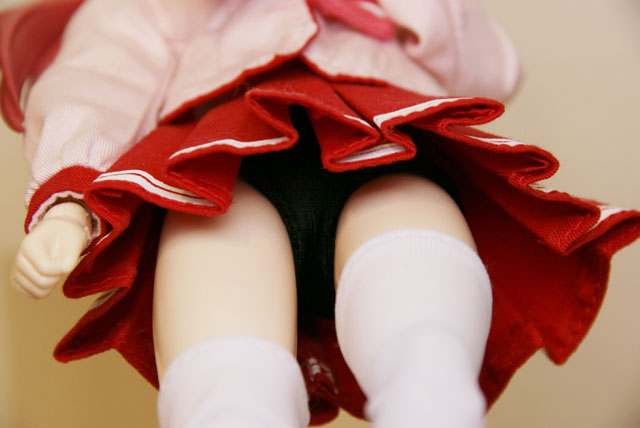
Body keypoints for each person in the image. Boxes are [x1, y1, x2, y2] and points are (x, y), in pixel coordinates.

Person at [2, 1, 639, 427]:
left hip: (380, 150)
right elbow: (98, 77)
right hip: (222, 179)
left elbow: (493, 68)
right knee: (223, 372)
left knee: (420, 296)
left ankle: (431, 398)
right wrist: (71, 201)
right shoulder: (155, 8)